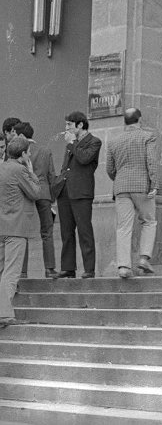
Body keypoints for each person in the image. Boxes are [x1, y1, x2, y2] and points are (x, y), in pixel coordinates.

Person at [106, 108, 160, 279]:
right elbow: (151, 161)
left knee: (123, 227)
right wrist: (154, 183)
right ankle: (143, 258)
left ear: (125, 121)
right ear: (140, 120)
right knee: (149, 221)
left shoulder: (114, 141)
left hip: (121, 187)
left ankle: (123, 266)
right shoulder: (147, 137)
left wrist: (120, 179)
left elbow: (109, 169)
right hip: (142, 186)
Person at [54, 111, 102, 279]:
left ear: (80, 125)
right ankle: (68, 268)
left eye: (69, 124)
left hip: (82, 192)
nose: (66, 128)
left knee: (84, 231)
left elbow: (84, 159)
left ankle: (89, 269)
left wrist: (72, 143)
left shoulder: (94, 141)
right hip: (65, 191)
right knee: (66, 232)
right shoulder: (71, 143)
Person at [0, 136, 41, 327]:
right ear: (23, 154)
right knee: (11, 273)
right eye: (28, 152)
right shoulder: (20, 170)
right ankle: (4, 314)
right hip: (16, 227)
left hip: (2, 226)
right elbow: (35, 193)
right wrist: (32, 173)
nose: (30, 154)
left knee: (3, 271)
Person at [12, 122, 57, 279]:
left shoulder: (19, 151)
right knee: (47, 232)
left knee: (24, 233)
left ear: (22, 136)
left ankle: (23, 272)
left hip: (26, 194)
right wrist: (52, 199)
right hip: (44, 194)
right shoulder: (45, 150)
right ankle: (50, 269)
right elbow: (52, 175)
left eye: (16, 134)